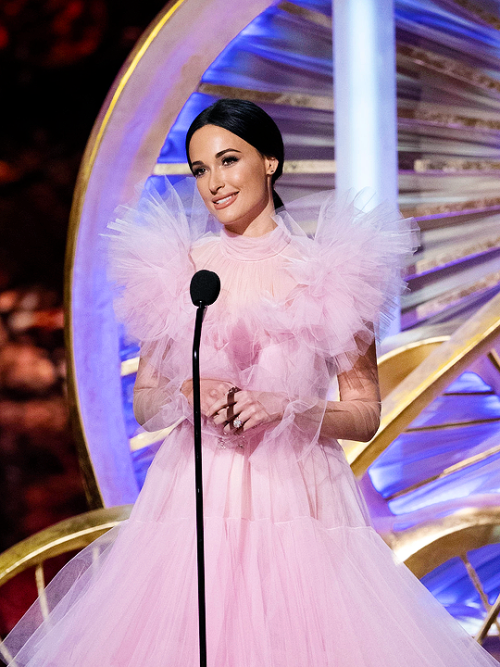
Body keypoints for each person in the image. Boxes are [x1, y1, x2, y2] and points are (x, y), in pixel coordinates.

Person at [2, 99, 498, 667]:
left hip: (299, 498)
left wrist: (286, 406)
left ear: (269, 161)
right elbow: (146, 402)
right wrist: (191, 392)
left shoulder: (333, 271)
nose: (213, 183)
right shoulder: (178, 268)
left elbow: (364, 414)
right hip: (194, 492)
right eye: (199, 170)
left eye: (228, 160)